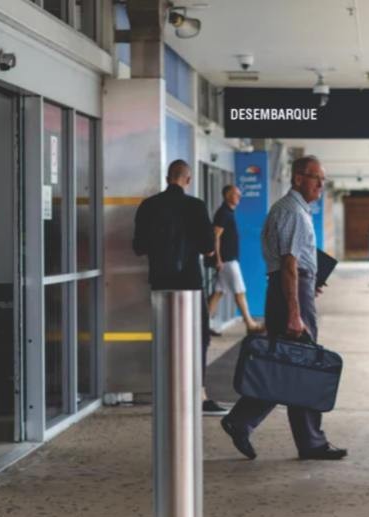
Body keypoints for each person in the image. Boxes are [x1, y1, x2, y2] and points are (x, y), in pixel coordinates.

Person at [220, 155, 347, 461]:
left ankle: (243, 421)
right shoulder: (291, 211)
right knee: (303, 365)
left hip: (291, 288)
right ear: (298, 178)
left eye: (323, 179)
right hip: (291, 291)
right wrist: (295, 311)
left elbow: (293, 264)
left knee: (285, 365)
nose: (321, 184)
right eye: (316, 177)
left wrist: (311, 279)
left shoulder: (293, 210)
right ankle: (310, 442)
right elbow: (289, 264)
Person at [132, 159, 228, 416]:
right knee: (198, 336)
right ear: (188, 180)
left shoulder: (148, 206)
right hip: (189, 283)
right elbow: (208, 247)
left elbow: (138, 247)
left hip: (160, 282)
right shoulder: (195, 206)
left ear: (167, 178)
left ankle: (165, 393)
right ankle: (198, 393)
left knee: (164, 336)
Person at [207, 185, 264, 333]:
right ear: (227, 195)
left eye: (239, 194)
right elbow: (216, 237)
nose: (239, 197)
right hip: (227, 261)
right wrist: (218, 259)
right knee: (240, 291)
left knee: (218, 292)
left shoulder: (228, 212)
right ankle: (250, 324)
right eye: (235, 194)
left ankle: (203, 324)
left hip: (228, 260)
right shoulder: (223, 213)